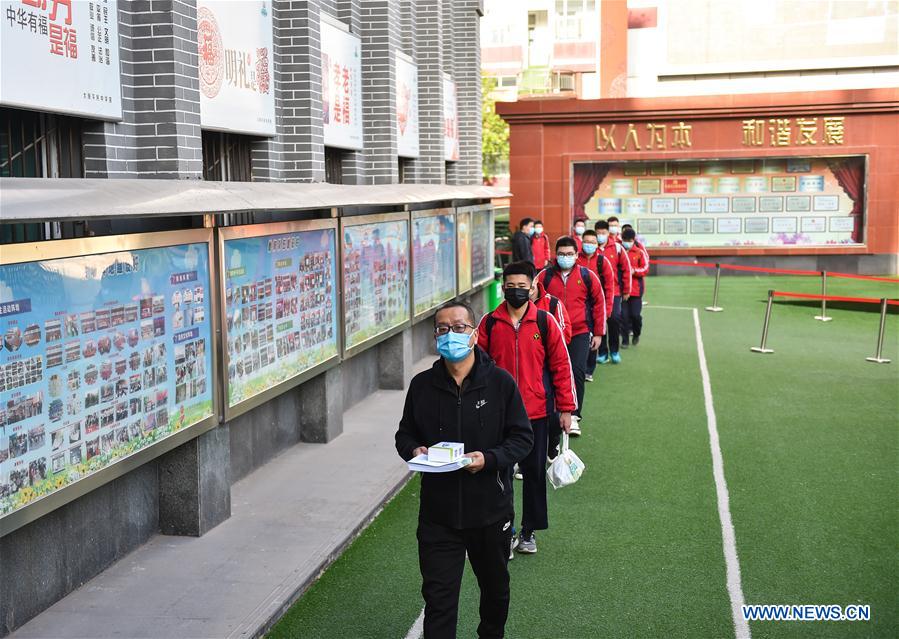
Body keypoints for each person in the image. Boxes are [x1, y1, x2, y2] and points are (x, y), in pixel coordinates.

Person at [395, 301, 533, 639]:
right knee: (439, 601)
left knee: (495, 594)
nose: (450, 335)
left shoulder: (500, 383)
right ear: (435, 337)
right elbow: (405, 434)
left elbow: (522, 438)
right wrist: (415, 449)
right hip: (438, 517)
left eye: (459, 327)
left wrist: (488, 458)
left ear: (474, 334)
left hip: (490, 512)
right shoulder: (422, 386)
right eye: (442, 329)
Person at [478, 261, 575, 556]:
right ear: (503, 287)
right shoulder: (490, 323)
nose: (516, 291)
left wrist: (567, 409)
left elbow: (561, 366)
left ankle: (529, 531)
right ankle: (504, 530)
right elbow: (476, 367)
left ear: (532, 286)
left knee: (533, 474)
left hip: (536, 413)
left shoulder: (545, 322)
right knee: (500, 476)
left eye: (523, 286)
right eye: (510, 287)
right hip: (499, 416)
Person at [538, 237, 605, 436]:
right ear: (555, 255)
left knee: (576, 372)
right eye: (561, 254)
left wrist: (599, 333)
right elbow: (533, 300)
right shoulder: (544, 277)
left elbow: (599, 303)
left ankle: (574, 416)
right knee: (549, 374)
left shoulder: (587, 276)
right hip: (551, 333)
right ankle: (551, 414)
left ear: (577, 255)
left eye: (569, 254)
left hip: (579, 332)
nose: (565, 257)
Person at [576, 230, 614, 383]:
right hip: (578, 302)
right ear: (581, 242)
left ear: (597, 244)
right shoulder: (575, 259)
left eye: (592, 242)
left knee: (593, 335)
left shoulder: (602, 261)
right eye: (586, 242)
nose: (589, 245)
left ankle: (589, 369)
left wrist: (608, 310)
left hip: (596, 303)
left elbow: (610, 287)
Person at [593, 219, 631, 366]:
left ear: (608, 233)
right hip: (596, 293)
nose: (601, 236)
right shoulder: (591, 248)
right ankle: (602, 352)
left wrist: (626, 289)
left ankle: (614, 350)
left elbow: (626, 269)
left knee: (614, 319)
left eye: (603, 233)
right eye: (598, 233)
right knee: (599, 321)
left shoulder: (617, 248)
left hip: (614, 291)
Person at [621, 228, 648, 348]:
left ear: (634, 240)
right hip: (621, 290)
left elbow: (645, 268)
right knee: (623, 316)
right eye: (625, 240)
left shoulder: (639, 252)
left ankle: (637, 333)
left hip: (636, 290)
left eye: (630, 240)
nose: (627, 242)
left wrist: (634, 271)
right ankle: (625, 340)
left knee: (635, 315)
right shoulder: (619, 251)